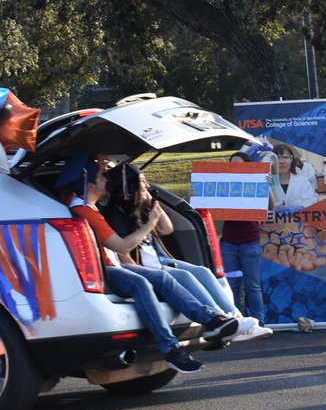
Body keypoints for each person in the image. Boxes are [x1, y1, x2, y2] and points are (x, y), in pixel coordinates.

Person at [60, 155, 239, 374]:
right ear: (89, 185)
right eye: (101, 177)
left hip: (113, 265)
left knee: (164, 276)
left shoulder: (85, 206)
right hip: (106, 269)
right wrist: (152, 222)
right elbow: (123, 246)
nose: (106, 180)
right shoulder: (84, 211)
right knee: (140, 283)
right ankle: (171, 348)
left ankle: (212, 319)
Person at [103, 162, 272, 341]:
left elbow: (167, 229)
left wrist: (155, 208)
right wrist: (151, 223)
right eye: (142, 182)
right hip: (145, 268)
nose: (147, 186)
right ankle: (220, 320)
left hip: (159, 262)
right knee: (185, 276)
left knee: (203, 271)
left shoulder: (142, 210)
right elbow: (124, 255)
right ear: (129, 187)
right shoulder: (116, 215)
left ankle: (236, 318)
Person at [219, 151, 270, 327]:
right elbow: (205, 207)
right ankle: (235, 324)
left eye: (240, 164)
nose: (236, 167)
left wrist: (267, 187)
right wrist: (196, 192)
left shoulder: (256, 182)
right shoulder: (223, 184)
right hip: (228, 244)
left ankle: (257, 323)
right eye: (232, 164)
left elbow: (271, 206)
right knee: (231, 286)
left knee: (252, 286)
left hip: (250, 242)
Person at [272, 143, 319, 213]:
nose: (281, 161)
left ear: (291, 160)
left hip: (300, 222)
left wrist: (302, 208)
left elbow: (312, 203)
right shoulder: (268, 183)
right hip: (274, 223)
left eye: (285, 157)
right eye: (277, 157)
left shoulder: (303, 181)